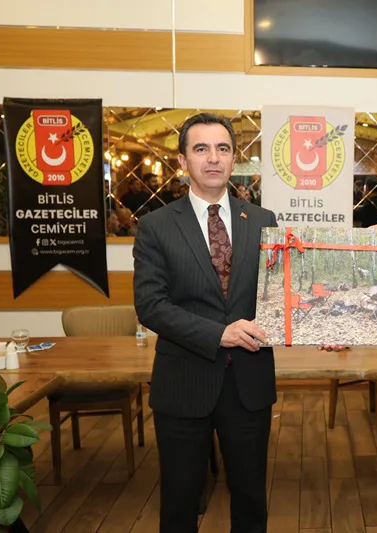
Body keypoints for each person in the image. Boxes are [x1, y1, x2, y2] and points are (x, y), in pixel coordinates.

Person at [133, 113, 276, 533]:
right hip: (183, 383)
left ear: (233, 159)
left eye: (223, 148)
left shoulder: (263, 220)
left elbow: (288, 288)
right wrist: (219, 334)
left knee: (251, 502)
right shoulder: (156, 226)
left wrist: (371, 241)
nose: (213, 158)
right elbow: (151, 306)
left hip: (248, 383)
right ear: (183, 161)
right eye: (201, 149)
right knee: (179, 505)